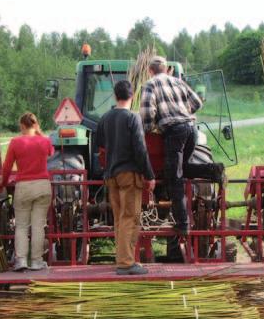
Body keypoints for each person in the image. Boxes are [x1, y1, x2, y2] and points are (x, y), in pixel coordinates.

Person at [140, 56, 224, 236]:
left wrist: (149, 129)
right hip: (191, 130)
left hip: (174, 133)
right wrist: (182, 112)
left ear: (150, 70)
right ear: (166, 69)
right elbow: (197, 102)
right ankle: (214, 170)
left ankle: (183, 224)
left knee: (174, 178)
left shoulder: (150, 84)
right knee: (182, 169)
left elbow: (147, 113)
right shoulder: (177, 82)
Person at [96, 80, 155, 275]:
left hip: (111, 175)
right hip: (129, 174)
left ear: (115, 96)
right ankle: (125, 263)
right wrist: (149, 175)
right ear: (132, 96)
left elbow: (101, 147)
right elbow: (140, 148)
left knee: (120, 219)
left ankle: (123, 259)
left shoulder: (104, 118)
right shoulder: (133, 118)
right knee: (130, 217)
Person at [1, 112, 54, 271]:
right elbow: (51, 152)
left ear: (22, 126)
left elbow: (7, 166)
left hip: (23, 187)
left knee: (22, 226)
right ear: (35, 125)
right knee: (38, 226)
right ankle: (37, 261)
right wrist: (39, 133)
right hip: (43, 186)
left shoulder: (15, 142)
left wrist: (2, 183)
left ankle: (21, 260)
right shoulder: (45, 141)